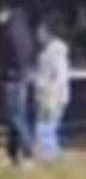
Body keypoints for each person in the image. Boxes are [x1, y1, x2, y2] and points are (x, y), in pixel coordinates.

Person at [0, 2, 37, 169]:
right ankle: (12, 155)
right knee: (14, 119)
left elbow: (16, 56)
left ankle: (28, 153)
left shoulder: (13, 32)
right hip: (17, 78)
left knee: (17, 117)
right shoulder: (21, 29)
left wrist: (7, 69)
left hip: (14, 79)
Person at [33, 19, 71, 163]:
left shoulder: (56, 51)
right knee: (46, 125)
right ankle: (49, 152)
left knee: (47, 125)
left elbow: (60, 75)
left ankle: (50, 154)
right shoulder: (46, 51)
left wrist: (51, 91)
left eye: (40, 31)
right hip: (46, 94)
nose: (38, 34)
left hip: (53, 95)